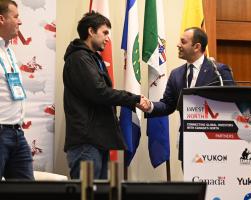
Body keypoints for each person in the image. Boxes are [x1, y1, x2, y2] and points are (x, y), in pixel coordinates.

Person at [63, 11, 147, 179]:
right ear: (91, 32)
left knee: (100, 194)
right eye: (105, 32)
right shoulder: (79, 58)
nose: (108, 38)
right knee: (86, 194)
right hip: (86, 144)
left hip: (97, 141)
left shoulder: (93, 58)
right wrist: (134, 99)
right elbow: (99, 92)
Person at [144, 27, 235, 166]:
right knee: (192, 188)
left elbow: (233, 102)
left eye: (183, 42)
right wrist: (149, 106)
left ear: (197, 46)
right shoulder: (176, 74)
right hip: (188, 146)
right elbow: (168, 105)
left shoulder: (218, 71)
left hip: (216, 145)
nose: (178, 45)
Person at [0, 0, 34, 180]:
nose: (20, 22)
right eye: (16, 17)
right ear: (1, 19)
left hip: (17, 133)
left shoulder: (9, 52)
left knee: (28, 191)